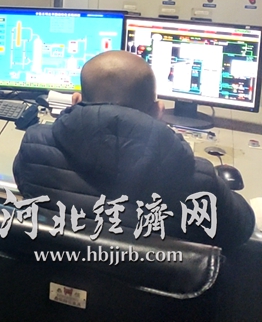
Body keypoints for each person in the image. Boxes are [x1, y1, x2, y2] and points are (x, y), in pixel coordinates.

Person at [13, 50, 255, 249]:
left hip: (59, 282)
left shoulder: (34, 148)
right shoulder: (199, 178)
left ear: (76, 100)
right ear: (158, 111)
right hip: (149, 293)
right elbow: (241, 230)